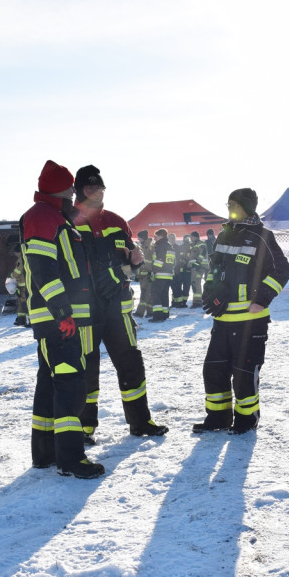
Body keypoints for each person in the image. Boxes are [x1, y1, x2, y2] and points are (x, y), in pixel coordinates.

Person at [19, 160, 104, 479]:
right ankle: (71, 458)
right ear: (58, 188)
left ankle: (44, 453)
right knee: (70, 385)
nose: (73, 191)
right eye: (69, 186)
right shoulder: (42, 216)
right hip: (59, 320)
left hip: (57, 319)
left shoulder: (53, 216)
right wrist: (63, 312)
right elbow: (43, 269)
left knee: (50, 384)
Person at [72, 164, 168, 440]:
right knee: (87, 370)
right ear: (79, 190)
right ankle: (84, 428)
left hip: (118, 309)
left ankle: (140, 422)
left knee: (131, 364)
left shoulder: (116, 221)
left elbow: (132, 259)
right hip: (85, 311)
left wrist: (133, 263)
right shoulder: (69, 221)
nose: (96, 193)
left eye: (99, 188)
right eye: (90, 188)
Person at [194, 188, 289, 434]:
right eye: (228, 204)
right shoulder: (223, 235)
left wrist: (262, 298)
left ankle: (246, 420)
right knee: (214, 369)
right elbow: (213, 269)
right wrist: (211, 293)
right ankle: (218, 418)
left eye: (235, 204)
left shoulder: (263, 236)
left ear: (248, 207)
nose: (230, 208)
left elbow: (282, 270)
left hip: (251, 321)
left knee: (244, 373)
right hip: (223, 320)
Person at [149, 229, 175, 322]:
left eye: (156, 236)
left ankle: (157, 316)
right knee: (164, 295)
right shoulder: (169, 246)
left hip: (160, 274)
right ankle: (165, 314)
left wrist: (153, 271)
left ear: (161, 236)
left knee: (156, 295)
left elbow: (159, 261)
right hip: (168, 275)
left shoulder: (161, 246)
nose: (154, 238)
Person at [6, 245, 29, 326]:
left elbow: (18, 272)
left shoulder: (21, 259)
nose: (15, 254)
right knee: (22, 303)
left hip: (23, 285)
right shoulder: (26, 257)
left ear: (18, 252)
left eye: (15, 252)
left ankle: (29, 321)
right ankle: (21, 320)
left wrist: (11, 275)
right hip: (24, 284)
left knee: (24, 303)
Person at [133, 230, 154, 317]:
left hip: (146, 274)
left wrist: (149, 272)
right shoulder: (143, 246)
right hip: (143, 274)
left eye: (139, 238)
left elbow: (147, 261)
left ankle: (140, 312)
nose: (138, 239)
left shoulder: (148, 246)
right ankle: (150, 312)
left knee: (144, 293)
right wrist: (138, 275)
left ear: (143, 238)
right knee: (147, 293)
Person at [188, 231, 208, 308]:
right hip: (195, 267)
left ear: (195, 237)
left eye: (191, 237)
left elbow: (203, 253)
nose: (190, 238)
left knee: (196, 283)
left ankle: (198, 302)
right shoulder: (193, 245)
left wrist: (198, 263)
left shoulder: (201, 243)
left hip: (200, 267)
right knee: (194, 283)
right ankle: (197, 301)